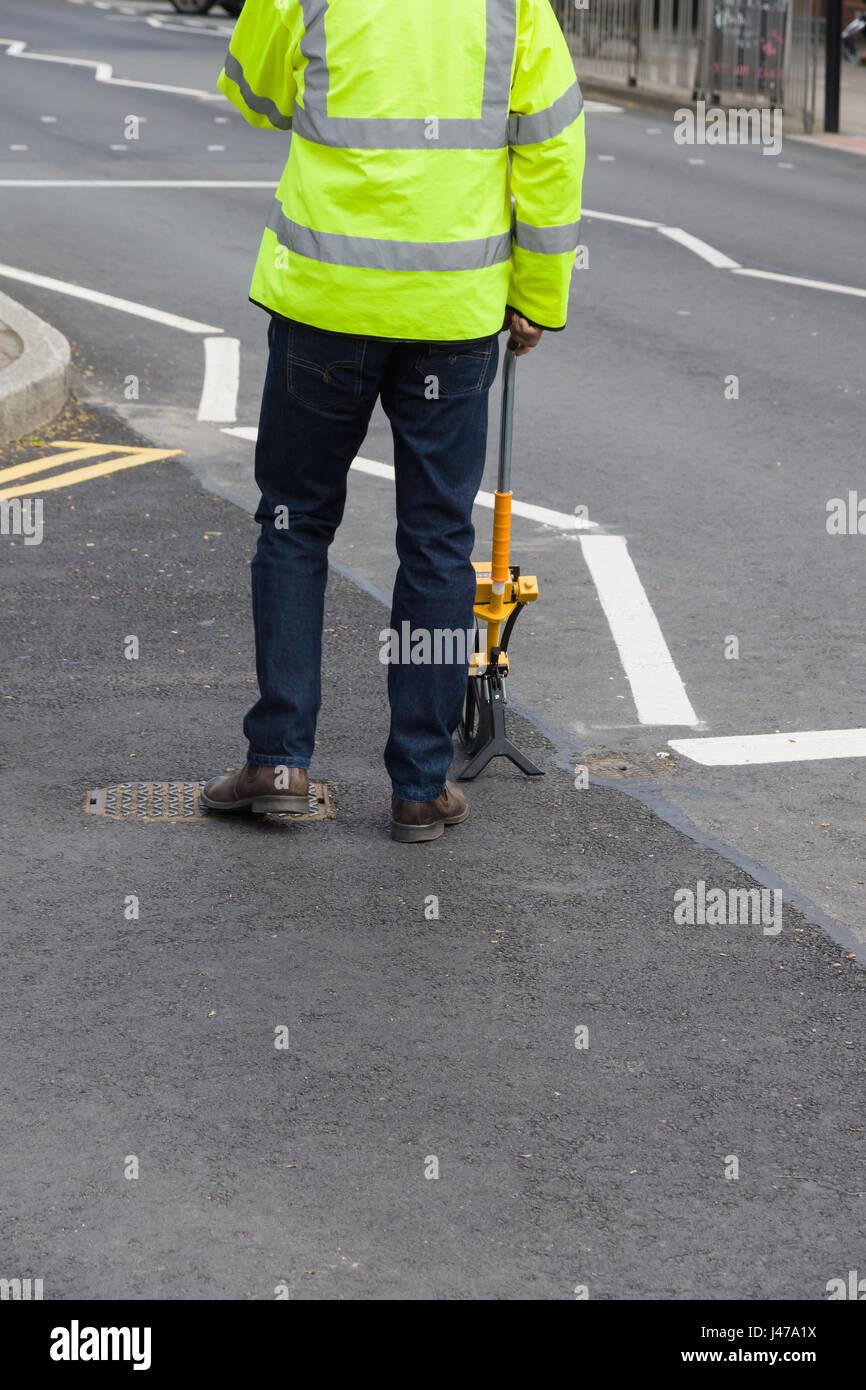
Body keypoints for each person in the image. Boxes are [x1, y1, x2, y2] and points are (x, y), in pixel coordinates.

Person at [201, 0, 585, 841]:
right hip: (451, 313)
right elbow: (552, 146)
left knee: (295, 525)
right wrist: (537, 295)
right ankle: (418, 784)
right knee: (438, 543)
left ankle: (278, 762)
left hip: (327, 304)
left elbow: (254, 92)